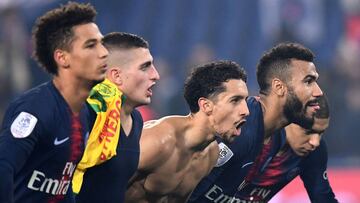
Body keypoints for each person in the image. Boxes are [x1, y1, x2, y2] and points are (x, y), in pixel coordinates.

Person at [188, 42, 325, 202]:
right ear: (279, 87)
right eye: (308, 81)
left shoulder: (276, 136)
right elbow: (186, 194)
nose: (318, 91)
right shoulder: (239, 128)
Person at [0, 2, 108, 202]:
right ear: (62, 58)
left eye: (102, 43)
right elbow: (3, 166)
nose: (104, 53)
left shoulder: (84, 114)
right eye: (91, 45)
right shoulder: (34, 110)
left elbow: (62, 184)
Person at [125, 60, 250, 203]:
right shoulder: (158, 140)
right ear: (206, 105)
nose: (246, 111)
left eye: (245, 100)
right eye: (235, 101)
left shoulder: (211, 153)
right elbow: (101, 185)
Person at [74, 32, 160, 203]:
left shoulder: (136, 120)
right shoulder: (88, 113)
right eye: (145, 67)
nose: (155, 75)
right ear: (116, 76)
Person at [230, 94, 337, 202]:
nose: (315, 142)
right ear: (288, 119)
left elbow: (323, 197)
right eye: (308, 132)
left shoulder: (313, 152)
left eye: (321, 133)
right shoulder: (250, 127)